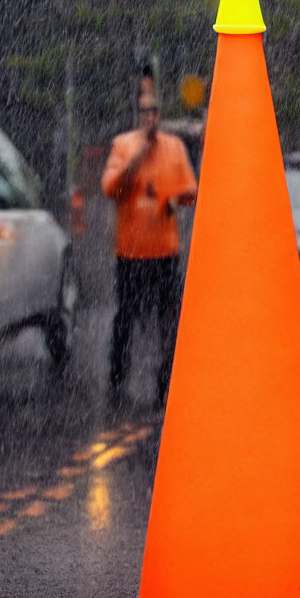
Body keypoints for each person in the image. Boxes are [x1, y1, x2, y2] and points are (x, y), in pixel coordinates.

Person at [102, 92, 197, 409]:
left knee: (168, 317)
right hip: (130, 253)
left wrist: (175, 199)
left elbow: (190, 189)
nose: (150, 119)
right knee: (125, 316)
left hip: (164, 252)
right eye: (144, 113)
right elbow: (110, 188)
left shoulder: (174, 147)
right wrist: (136, 159)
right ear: (137, 116)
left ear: (160, 115)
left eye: (154, 113)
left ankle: (166, 380)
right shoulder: (123, 146)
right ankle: (117, 378)